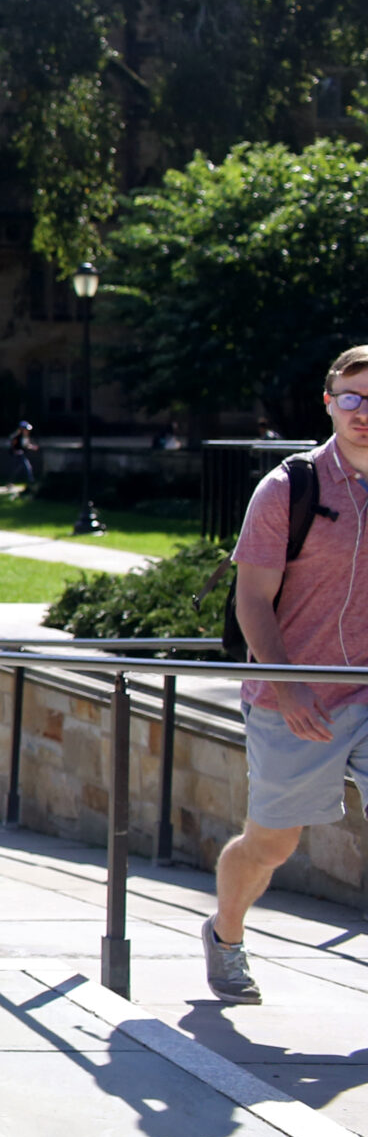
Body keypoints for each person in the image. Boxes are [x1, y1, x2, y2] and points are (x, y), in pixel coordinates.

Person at [206, 347, 368, 1006]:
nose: (364, 413)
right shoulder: (289, 488)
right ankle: (226, 933)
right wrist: (290, 686)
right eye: (352, 398)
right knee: (272, 845)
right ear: (329, 402)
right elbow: (251, 600)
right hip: (292, 695)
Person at [9, 421, 39, 492]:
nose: (27, 431)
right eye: (26, 429)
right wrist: (15, 451)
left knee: (18, 469)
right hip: (18, 455)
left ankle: (10, 482)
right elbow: (13, 445)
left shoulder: (25, 437)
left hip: (21, 454)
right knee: (27, 467)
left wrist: (33, 447)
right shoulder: (16, 436)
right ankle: (31, 482)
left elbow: (26, 445)